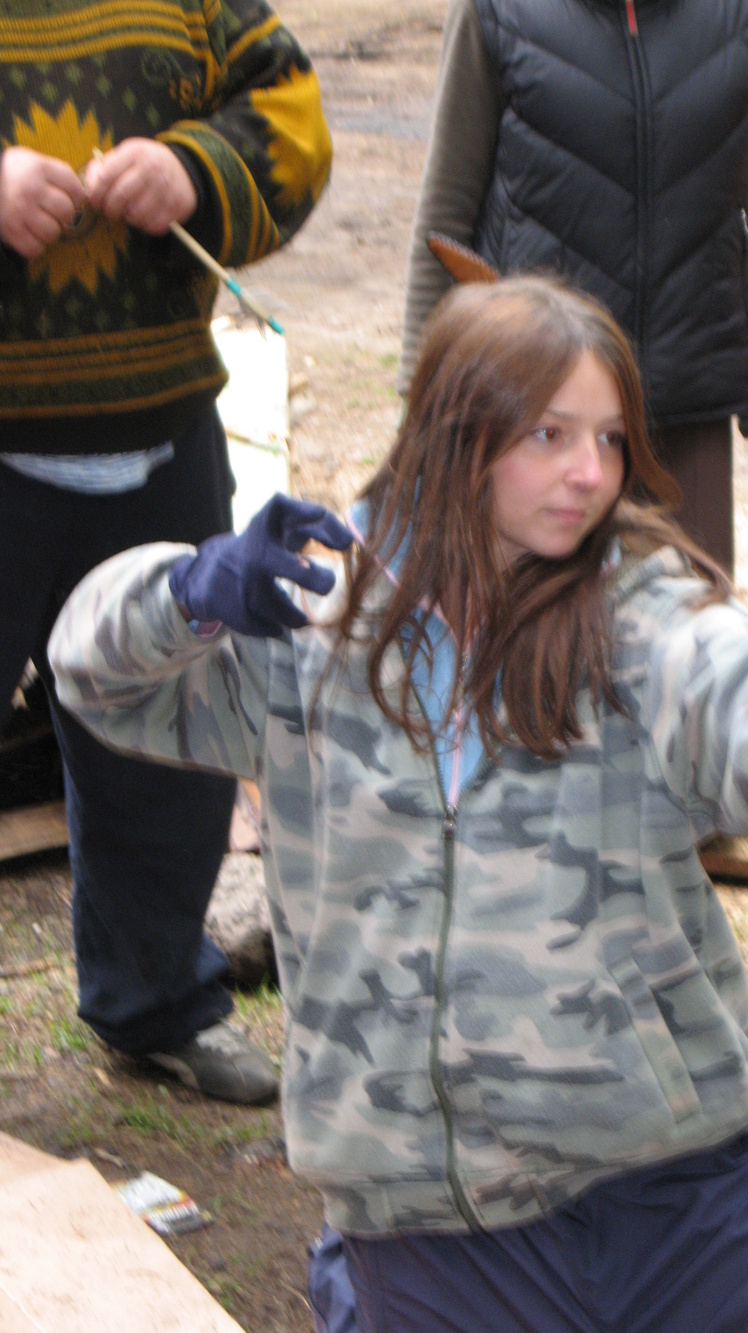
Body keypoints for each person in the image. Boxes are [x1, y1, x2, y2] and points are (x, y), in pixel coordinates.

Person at [49, 277, 748, 1333]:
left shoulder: (637, 624)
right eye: (548, 433)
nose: (590, 472)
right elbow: (95, 677)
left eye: (607, 437)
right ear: (456, 434)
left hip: (673, 1193)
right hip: (434, 1221)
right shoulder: (310, 633)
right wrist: (179, 593)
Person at [0, 0, 332, 1103]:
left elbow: (289, 114)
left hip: (163, 437)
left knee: (168, 748)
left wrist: (197, 168)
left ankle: (153, 1003)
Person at [399, 0, 748, 579]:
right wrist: (423, 416)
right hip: (533, 417)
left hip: (686, 427)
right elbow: (445, 224)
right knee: (530, 647)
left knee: (684, 646)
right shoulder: (493, 10)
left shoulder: (746, 12)